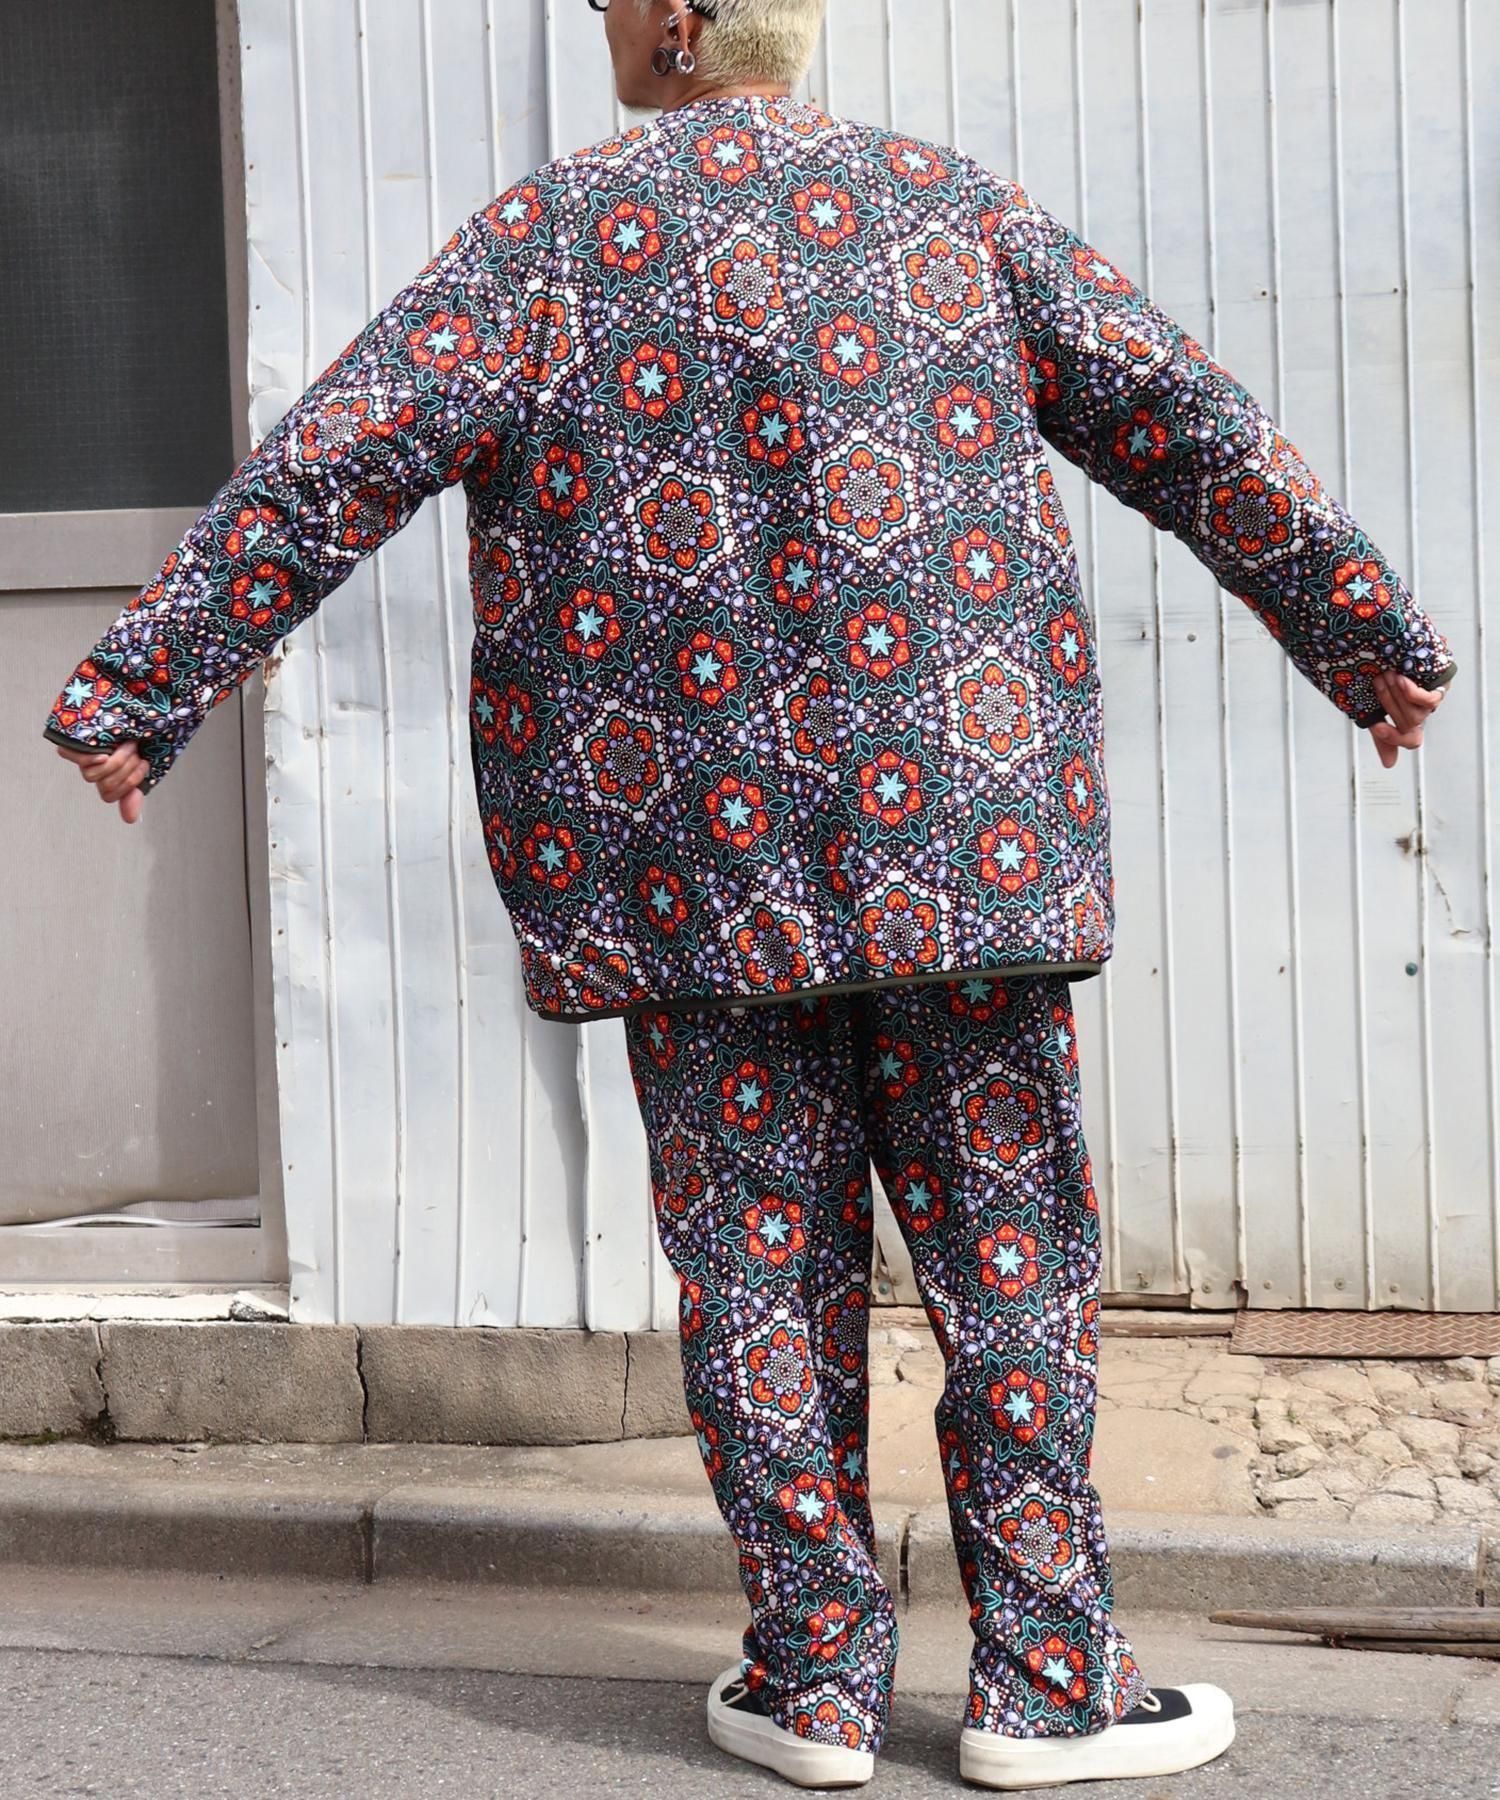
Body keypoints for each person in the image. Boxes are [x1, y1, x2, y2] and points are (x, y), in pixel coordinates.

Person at [43, 0, 1455, 1787]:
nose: (599, 21)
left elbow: (344, 452)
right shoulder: (952, 208)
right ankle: (1049, 1688)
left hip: (687, 861)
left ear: (681, 19)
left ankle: (815, 1684)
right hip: (964, 843)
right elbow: (1185, 420)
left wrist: (147, 686)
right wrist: (1358, 629)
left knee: (755, 1270)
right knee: (1009, 1262)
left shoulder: (554, 237)